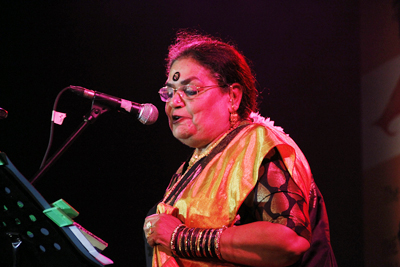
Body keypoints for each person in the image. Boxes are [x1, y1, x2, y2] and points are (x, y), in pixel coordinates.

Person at [143, 30, 337, 267]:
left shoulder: (257, 143)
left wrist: (181, 237)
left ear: (233, 96)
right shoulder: (189, 169)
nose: (175, 101)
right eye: (170, 93)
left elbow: (289, 240)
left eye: (191, 90)